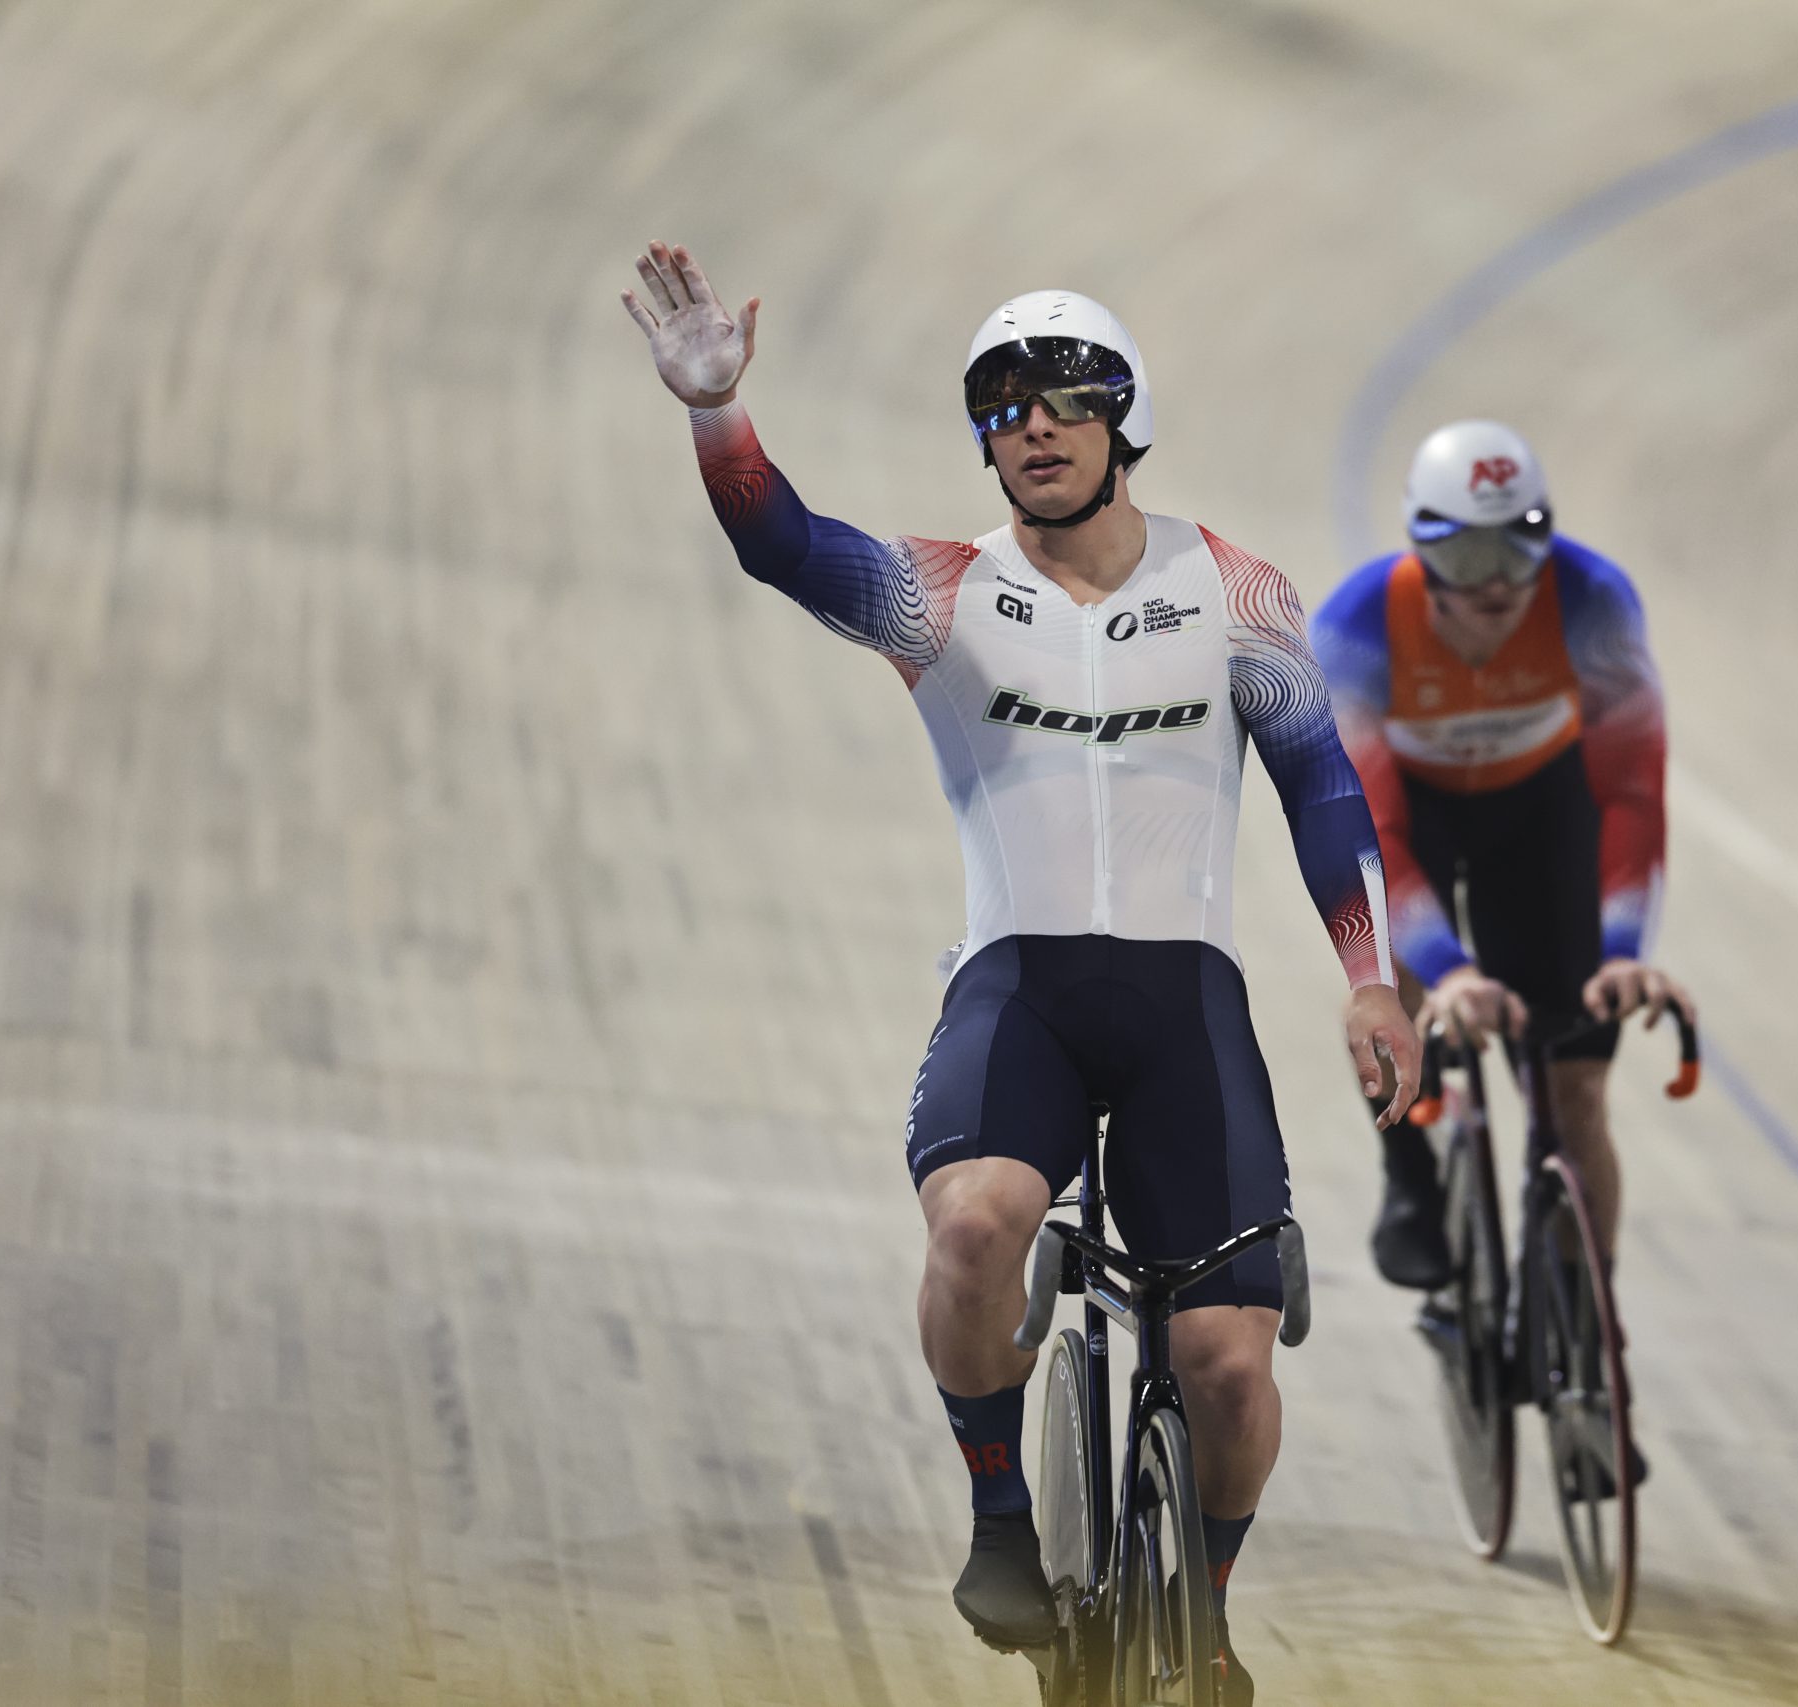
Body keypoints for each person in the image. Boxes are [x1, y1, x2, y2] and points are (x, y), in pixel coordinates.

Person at [622, 242, 1419, 1700]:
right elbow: (781, 543)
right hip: (1019, 994)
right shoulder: (939, 594)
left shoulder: (1239, 592)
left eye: (1061, 402)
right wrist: (718, 417)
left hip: (1187, 1005)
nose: (1030, 428)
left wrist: (1368, 975)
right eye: (1001, 409)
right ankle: (1002, 1515)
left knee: (1234, 1367)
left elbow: (1318, 784)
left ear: (1124, 421)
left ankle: (1212, 1607)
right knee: (978, 1231)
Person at [1311, 419, 1694, 1342]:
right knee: (1388, 986)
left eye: (1518, 543)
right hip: (1418, 813)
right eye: (1466, 547)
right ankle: (1408, 1172)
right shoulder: (1356, 628)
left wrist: (1621, 950)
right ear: (1418, 541)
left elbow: (1630, 790)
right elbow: (1373, 838)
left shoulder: (1593, 599)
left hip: (1542, 809)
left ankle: (1583, 1328)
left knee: (1576, 1093)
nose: (1494, 578)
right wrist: (1449, 968)